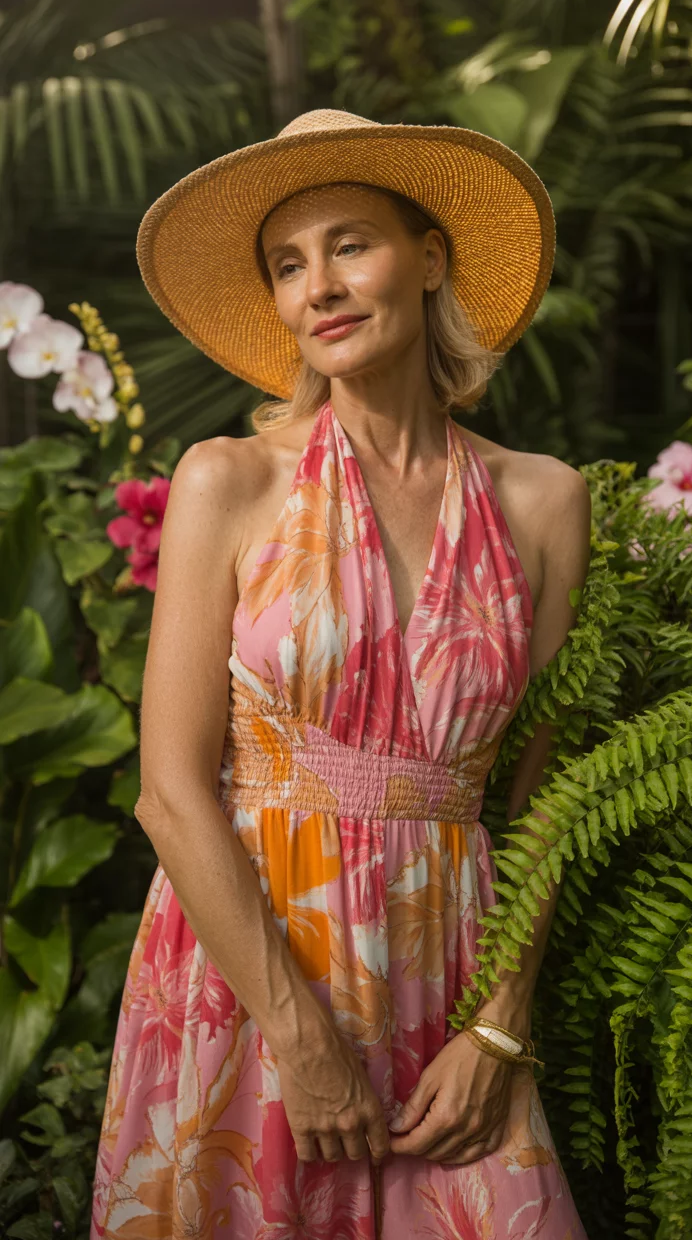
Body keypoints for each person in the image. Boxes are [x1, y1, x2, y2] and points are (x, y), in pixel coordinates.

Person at [90, 109, 591, 1239]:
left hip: (450, 991)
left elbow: (545, 802)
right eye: (286, 263)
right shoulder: (229, 481)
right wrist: (298, 1035)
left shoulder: (544, 501)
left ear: (429, 257)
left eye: (350, 243)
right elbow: (170, 791)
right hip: (251, 987)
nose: (319, 284)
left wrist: (500, 1030)